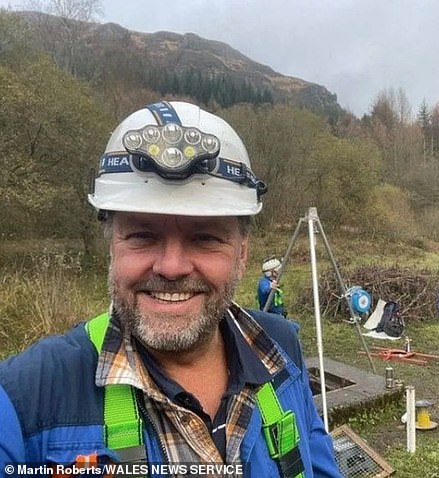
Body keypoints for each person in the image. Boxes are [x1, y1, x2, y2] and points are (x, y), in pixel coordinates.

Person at [0, 100, 341, 477]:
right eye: (143, 236)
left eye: (205, 238)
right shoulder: (26, 397)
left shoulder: (279, 352)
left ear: (242, 254)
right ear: (112, 244)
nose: (171, 267)